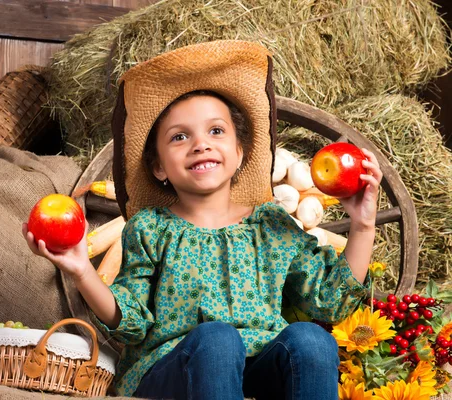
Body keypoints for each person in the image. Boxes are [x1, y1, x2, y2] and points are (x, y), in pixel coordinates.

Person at [22, 40, 382, 400]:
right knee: (217, 339)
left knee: (312, 340)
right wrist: (83, 270)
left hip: (259, 367)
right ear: (159, 167)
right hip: (173, 369)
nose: (200, 144)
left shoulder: (270, 225)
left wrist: (363, 225)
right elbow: (130, 321)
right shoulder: (152, 229)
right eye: (180, 137)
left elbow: (331, 301)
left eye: (216, 131)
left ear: (239, 153)